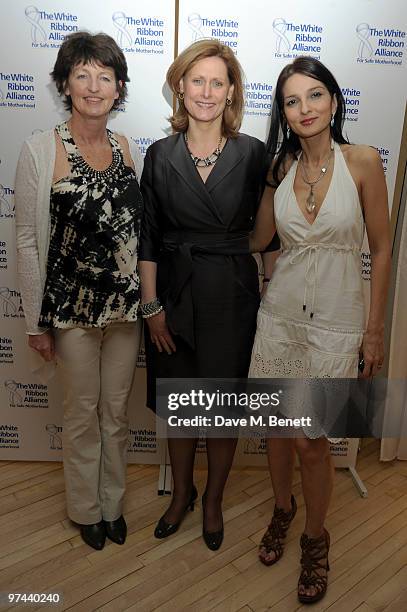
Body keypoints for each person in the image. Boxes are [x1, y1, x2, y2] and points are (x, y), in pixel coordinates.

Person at [249, 56, 390, 603]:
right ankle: (282, 510)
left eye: (314, 96)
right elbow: (260, 240)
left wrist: (373, 330)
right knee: (279, 431)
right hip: (279, 318)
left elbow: (380, 249)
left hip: (336, 323)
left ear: (333, 101)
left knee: (313, 441)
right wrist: (265, 182)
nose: (304, 108)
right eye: (291, 100)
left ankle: (315, 538)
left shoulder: (362, 162)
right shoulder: (281, 168)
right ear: (283, 113)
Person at [139, 39, 278, 550]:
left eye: (218, 81)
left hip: (231, 295)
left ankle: (214, 500)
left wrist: (271, 302)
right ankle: (182, 495)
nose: (206, 91)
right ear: (180, 86)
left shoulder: (252, 154)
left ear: (232, 90)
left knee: (220, 409)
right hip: (173, 293)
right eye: (197, 80)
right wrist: (152, 308)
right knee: (181, 409)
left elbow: (269, 238)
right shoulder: (159, 155)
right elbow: (148, 238)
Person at [14, 31, 143, 551]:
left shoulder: (126, 147)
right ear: (66, 82)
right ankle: (84, 509)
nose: (94, 86)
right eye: (83, 74)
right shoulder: (39, 150)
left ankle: (112, 504)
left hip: (124, 309)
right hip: (69, 311)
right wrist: (33, 323)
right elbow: (26, 240)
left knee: (116, 413)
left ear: (118, 89)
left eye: (105, 77)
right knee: (81, 412)